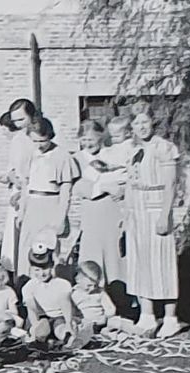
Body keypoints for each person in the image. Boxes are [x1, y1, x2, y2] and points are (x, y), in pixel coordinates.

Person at [125, 101, 182, 338]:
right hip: (136, 208)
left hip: (156, 204)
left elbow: (170, 184)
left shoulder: (164, 147)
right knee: (140, 262)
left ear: (153, 122)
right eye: (137, 123)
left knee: (162, 263)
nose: (141, 127)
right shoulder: (133, 149)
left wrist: (165, 215)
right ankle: (147, 314)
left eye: (145, 121)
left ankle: (170, 317)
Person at [16, 116, 80, 280]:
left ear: (50, 136)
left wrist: (60, 217)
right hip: (32, 204)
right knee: (27, 247)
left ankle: (51, 286)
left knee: (49, 246)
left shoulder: (62, 156)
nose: (39, 145)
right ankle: (26, 286)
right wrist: (21, 211)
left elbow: (66, 190)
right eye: (35, 141)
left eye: (42, 141)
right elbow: (25, 186)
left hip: (51, 203)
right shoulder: (29, 155)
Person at [73, 120, 130, 289]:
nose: (87, 143)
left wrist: (121, 189)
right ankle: (92, 295)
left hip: (112, 211)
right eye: (83, 139)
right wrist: (104, 187)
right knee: (92, 253)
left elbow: (128, 177)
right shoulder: (76, 159)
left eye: (91, 139)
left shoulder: (113, 154)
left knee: (115, 253)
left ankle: (120, 296)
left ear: (100, 137)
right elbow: (79, 187)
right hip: (91, 214)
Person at [0, 99, 37, 275]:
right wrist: (14, 180)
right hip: (21, 191)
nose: (18, 125)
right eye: (15, 121)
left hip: (39, 192)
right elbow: (14, 169)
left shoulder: (39, 137)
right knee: (18, 237)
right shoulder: (18, 140)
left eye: (21, 120)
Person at [21, 245, 76, 345]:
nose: (42, 274)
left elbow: (65, 303)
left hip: (58, 318)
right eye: (37, 270)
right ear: (31, 269)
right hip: (40, 318)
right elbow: (31, 309)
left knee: (60, 329)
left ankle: (68, 337)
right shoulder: (28, 287)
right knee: (42, 328)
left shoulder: (62, 284)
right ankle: (39, 338)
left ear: (52, 266)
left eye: (45, 269)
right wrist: (35, 326)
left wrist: (68, 323)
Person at [71, 261, 120, 335]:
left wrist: (106, 316)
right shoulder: (74, 294)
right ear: (78, 280)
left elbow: (110, 308)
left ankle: (108, 332)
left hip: (101, 322)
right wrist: (78, 319)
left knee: (117, 322)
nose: (92, 288)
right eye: (89, 285)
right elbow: (72, 311)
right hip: (84, 322)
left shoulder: (99, 292)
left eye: (95, 285)